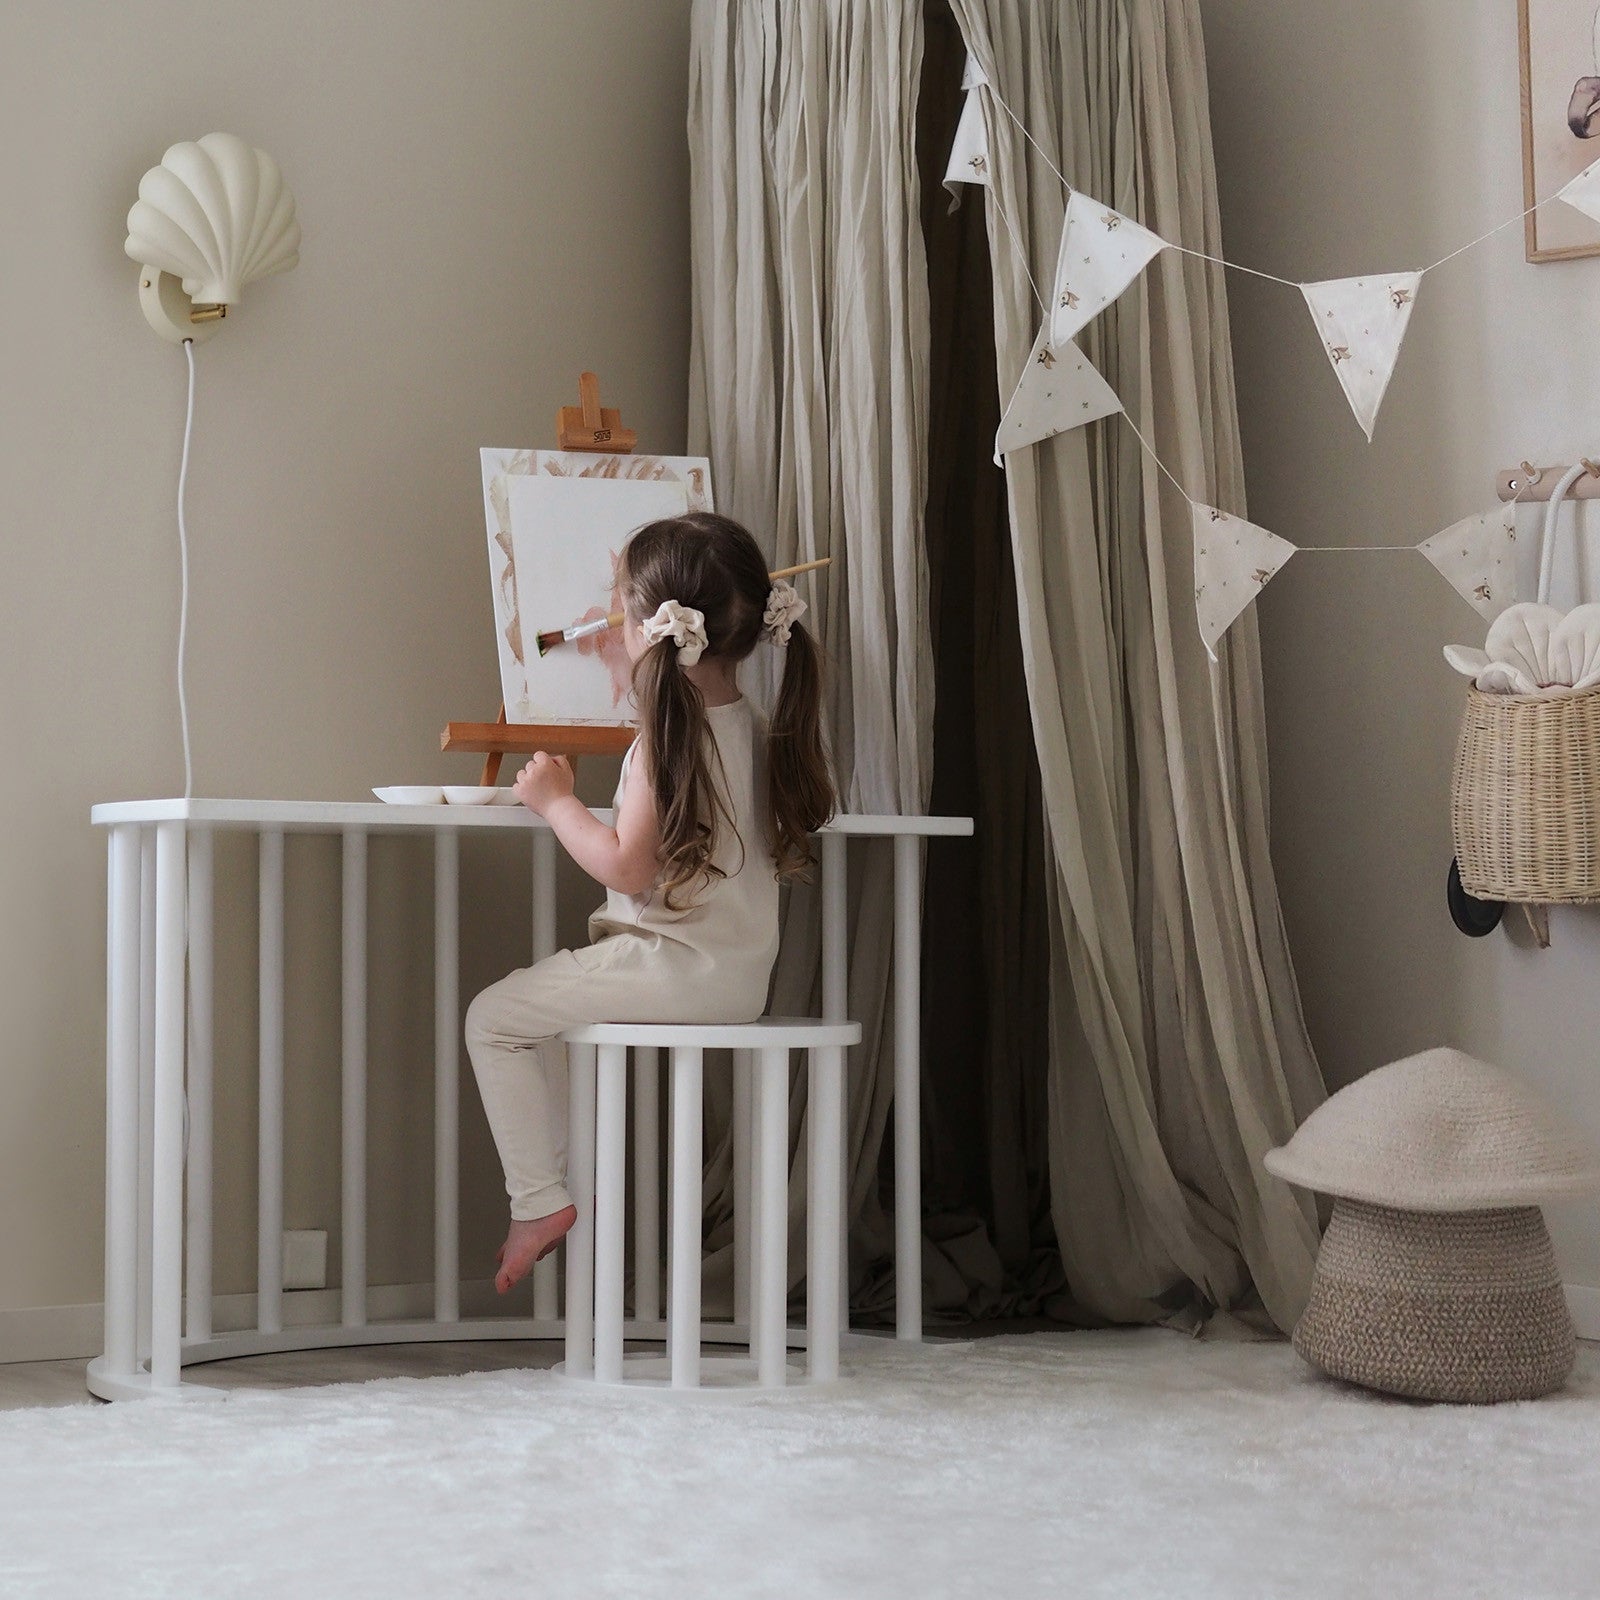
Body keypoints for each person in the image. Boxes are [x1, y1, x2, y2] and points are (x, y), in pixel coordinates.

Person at [465, 511, 834, 1294]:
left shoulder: (669, 738)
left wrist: (556, 801)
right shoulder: (753, 727)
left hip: (669, 969)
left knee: (493, 1019)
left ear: (646, 626)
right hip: (736, 982)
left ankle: (538, 1202)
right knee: (546, 1023)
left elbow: (628, 870)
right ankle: (553, 1190)